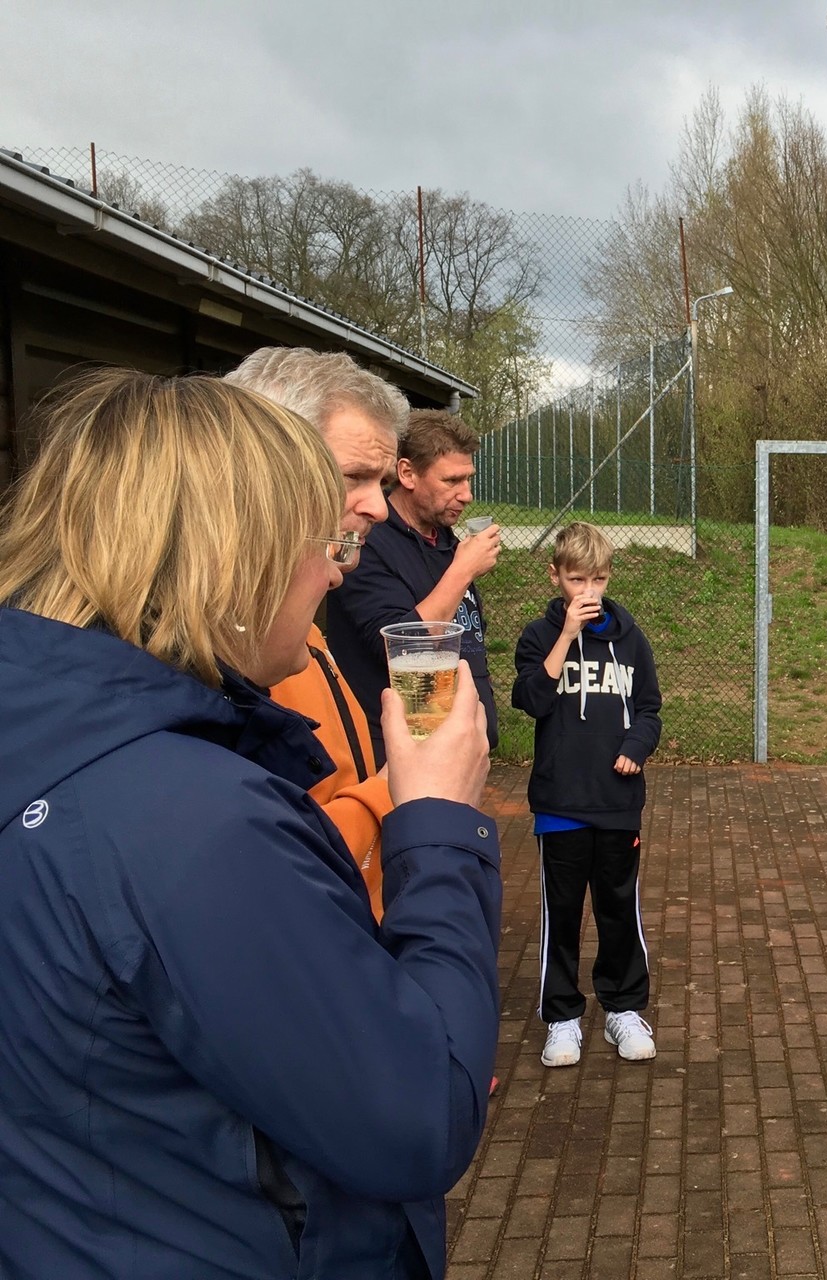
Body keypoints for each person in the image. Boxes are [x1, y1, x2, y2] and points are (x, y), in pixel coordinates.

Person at [0, 369, 499, 1279]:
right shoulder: (184, 818)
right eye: (319, 540)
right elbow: (417, 1114)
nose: (334, 570)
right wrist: (433, 820)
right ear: (231, 553)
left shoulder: (44, 737)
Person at [225, 346, 409, 919]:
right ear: (260, 466)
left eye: (382, 480)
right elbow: (269, 864)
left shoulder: (294, 617)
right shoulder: (220, 649)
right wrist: (402, 788)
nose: (379, 506)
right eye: (354, 476)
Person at [512, 522, 664, 1065]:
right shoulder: (537, 636)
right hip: (560, 802)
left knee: (620, 908)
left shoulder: (630, 636)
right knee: (564, 911)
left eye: (598, 579)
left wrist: (636, 747)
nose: (589, 592)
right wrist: (566, 637)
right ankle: (562, 1018)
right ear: (556, 577)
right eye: (577, 580)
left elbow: (649, 707)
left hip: (618, 800)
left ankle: (623, 1009)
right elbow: (531, 699)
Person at [327, 407, 502, 763]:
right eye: (452, 481)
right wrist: (462, 571)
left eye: (468, 479)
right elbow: (397, 650)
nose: (466, 494)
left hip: (459, 752)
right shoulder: (369, 543)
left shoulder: (446, 541)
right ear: (407, 473)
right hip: (398, 762)